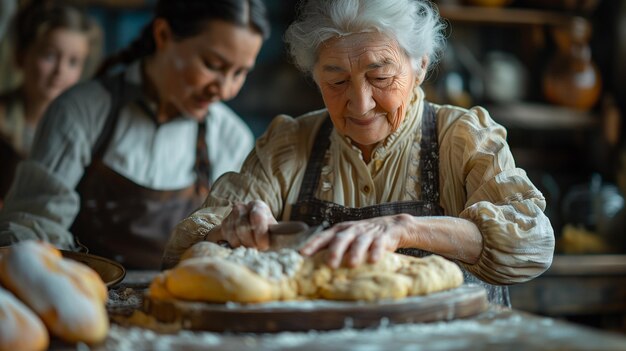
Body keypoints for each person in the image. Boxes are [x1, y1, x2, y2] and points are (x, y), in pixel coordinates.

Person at [162, 0, 555, 305]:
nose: (360, 103)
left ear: (419, 66)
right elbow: (182, 250)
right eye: (335, 80)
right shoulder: (288, 144)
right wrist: (230, 231)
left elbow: (532, 242)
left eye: (380, 77)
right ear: (315, 77)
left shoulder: (463, 137)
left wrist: (407, 229)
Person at [0, 0, 270, 269]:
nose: (224, 91)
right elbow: (32, 227)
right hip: (82, 299)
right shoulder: (81, 111)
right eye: (213, 65)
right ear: (163, 35)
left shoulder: (231, 137)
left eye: (240, 73)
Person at [0, 1, 101, 205]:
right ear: (21, 56)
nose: (60, 71)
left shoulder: (87, 132)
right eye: (49, 56)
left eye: (73, 62)